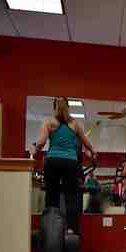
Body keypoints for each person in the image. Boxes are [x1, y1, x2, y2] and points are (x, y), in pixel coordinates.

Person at [31, 96, 97, 234]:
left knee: (52, 195)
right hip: (70, 162)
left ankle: (51, 227)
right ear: (68, 107)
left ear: (54, 107)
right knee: (71, 196)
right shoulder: (75, 124)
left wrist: (34, 151)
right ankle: (71, 229)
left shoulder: (48, 122)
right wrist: (93, 153)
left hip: (53, 161)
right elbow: (86, 142)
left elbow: (41, 142)